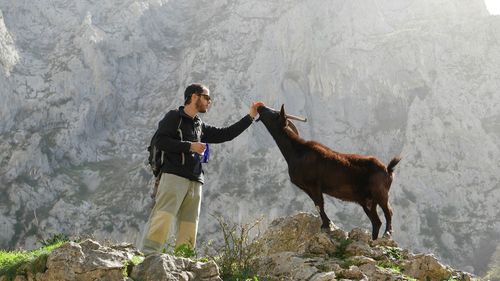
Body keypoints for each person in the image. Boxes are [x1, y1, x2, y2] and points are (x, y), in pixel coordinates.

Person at [141, 83, 264, 254]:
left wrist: (251, 116)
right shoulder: (174, 117)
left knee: (190, 223)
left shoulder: (199, 124)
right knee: (163, 216)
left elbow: (226, 134)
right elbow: (161, 141)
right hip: (173, 176)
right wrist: (190, 146)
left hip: (196, 180)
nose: (209, 102)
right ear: (194, 96)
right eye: (206, 97)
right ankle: (147, 255)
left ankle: (184, 259)